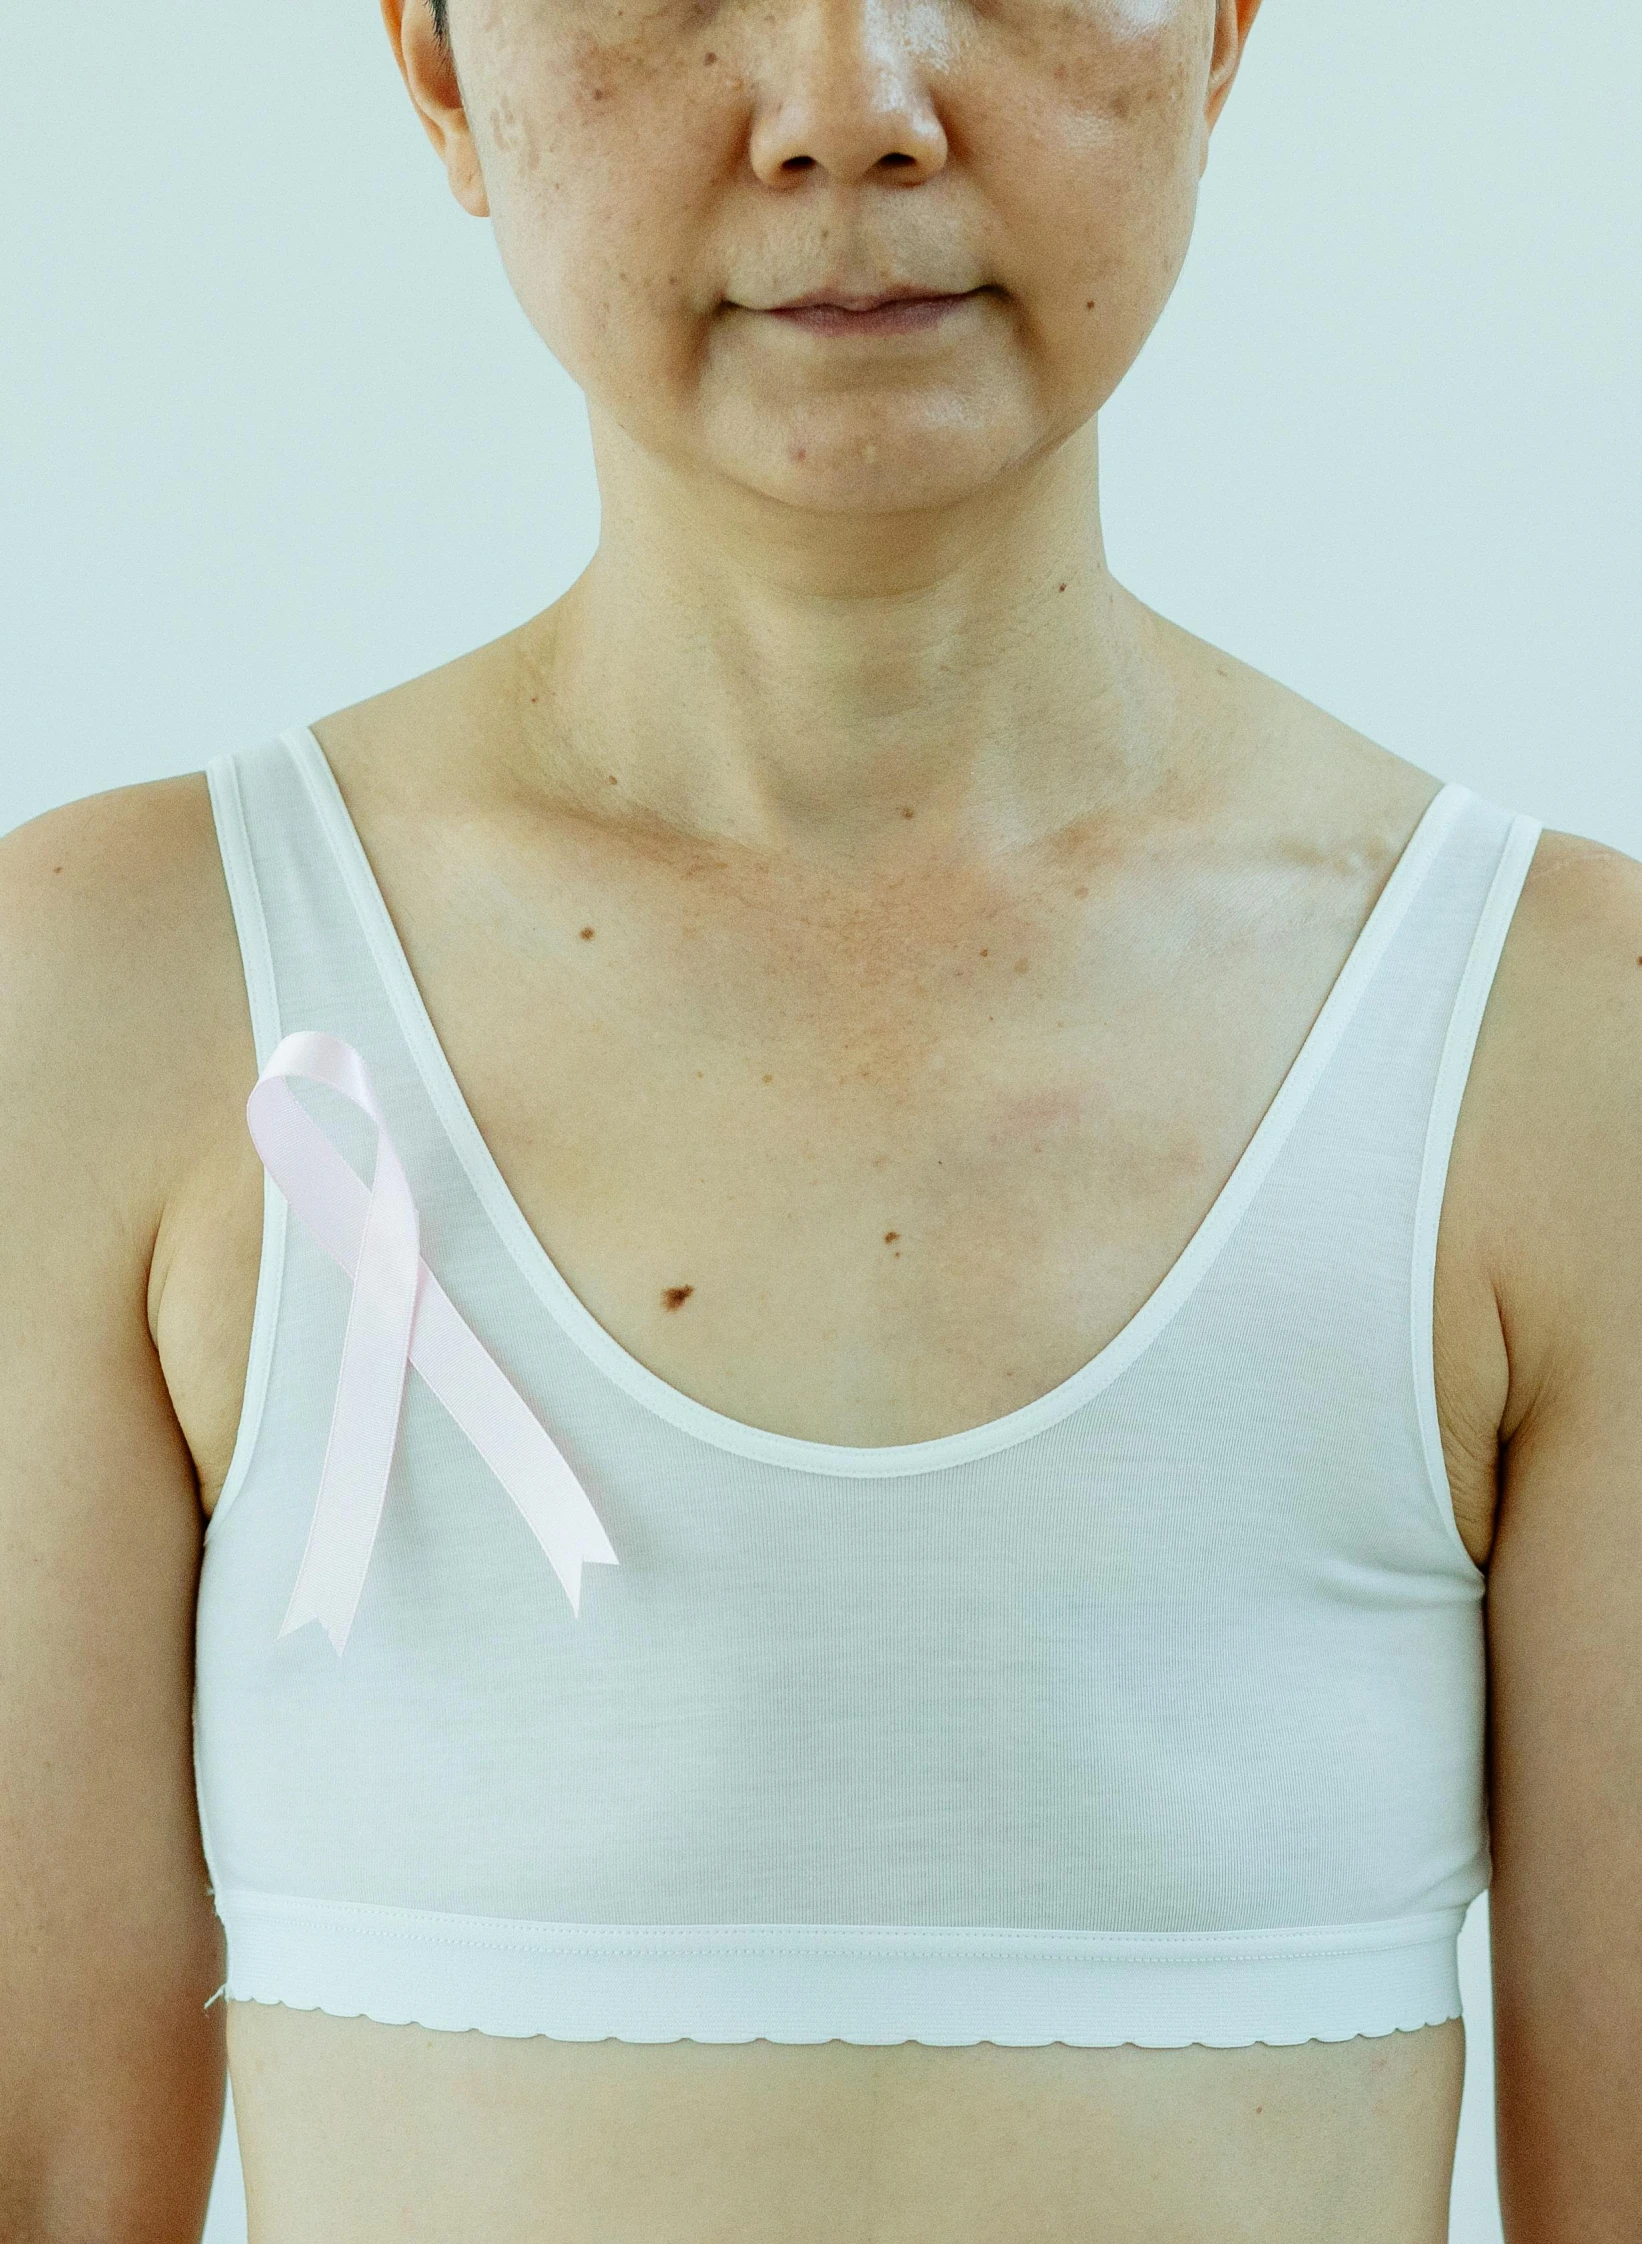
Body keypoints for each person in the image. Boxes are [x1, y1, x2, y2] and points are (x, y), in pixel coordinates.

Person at [3, 0, 1637, 2237]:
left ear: (1227, 29)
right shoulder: (117, 1002)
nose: (848, 107)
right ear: (436, 66)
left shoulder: (1561, 1048)